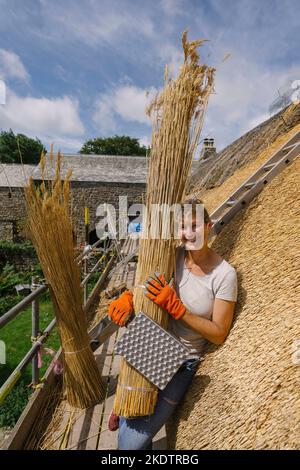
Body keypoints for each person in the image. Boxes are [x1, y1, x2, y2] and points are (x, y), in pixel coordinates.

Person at [108, 198, 238, 450]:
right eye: (182, 227)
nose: (188, 233)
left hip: (181, 360)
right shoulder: (173, 256)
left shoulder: (224, 275)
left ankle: (125, 412)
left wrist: (178, 309)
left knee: (129, 446)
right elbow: (145, 284)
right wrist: (130, 297)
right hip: (150, 342)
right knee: (129, 428)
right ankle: (124, 408)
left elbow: (219, 334)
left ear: (208, 225)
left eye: (194, 225)